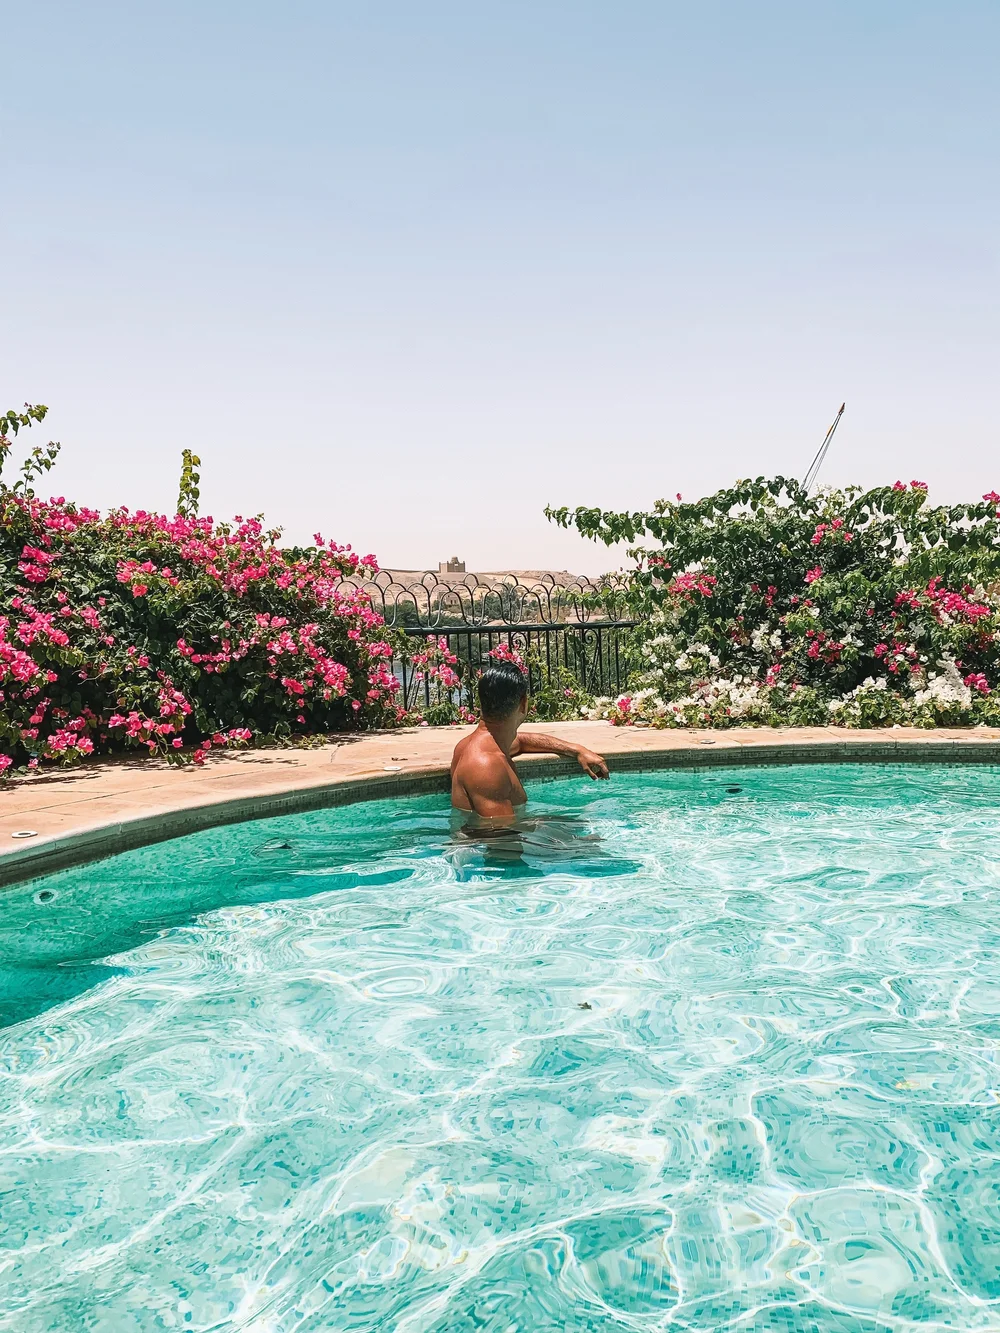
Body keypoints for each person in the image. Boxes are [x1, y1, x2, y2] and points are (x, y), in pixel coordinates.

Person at [451, 659, 610, 819]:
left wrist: (576, 750)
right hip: (494, 835)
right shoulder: (487, 766)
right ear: (523, 703)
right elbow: (500, 833)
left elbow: (522, 741)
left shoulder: (479, 745)